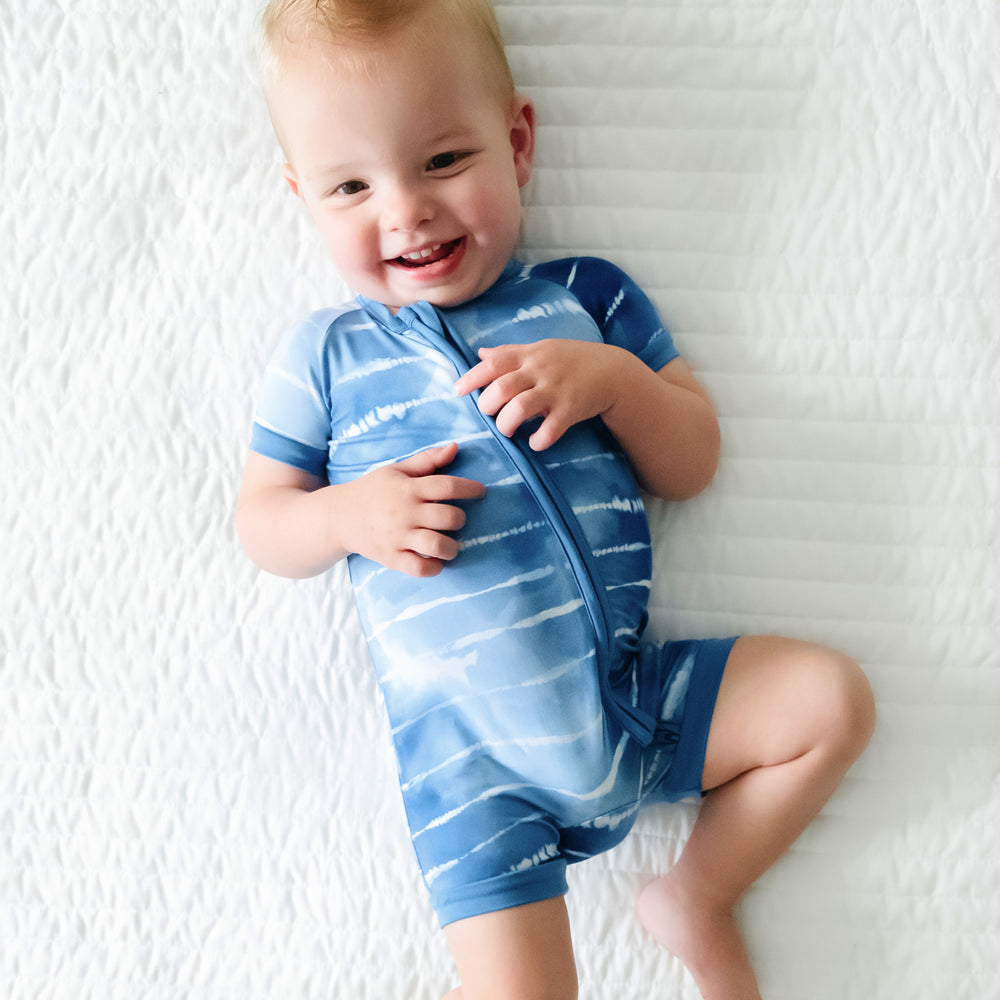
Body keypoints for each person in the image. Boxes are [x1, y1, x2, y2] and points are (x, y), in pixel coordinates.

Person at [236, 1, 876, 997]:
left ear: (517, 141)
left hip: (631, 702)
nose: (404, 210)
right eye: (351, 186)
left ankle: (698, 893)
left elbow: (693, 457)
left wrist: (616, 383)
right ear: (301, 198)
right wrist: (344, 516)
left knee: (828, 702)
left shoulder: (588, 298)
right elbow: (262, 522)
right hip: (473, 775)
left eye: (443, 160)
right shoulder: (326, 356)